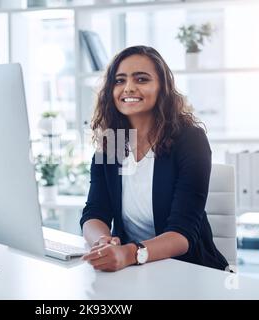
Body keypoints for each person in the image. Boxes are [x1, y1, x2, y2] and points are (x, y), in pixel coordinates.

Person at [80, 45, 229, 272]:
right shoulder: (113, 143)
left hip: (189, 270)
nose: (128, 88)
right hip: (133, 271)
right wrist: (102, 241)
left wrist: (129, 254)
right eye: (119, 81)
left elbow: (182, 234)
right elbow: (94, 212)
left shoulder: (189, 140)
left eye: (141, 79)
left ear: (162, 88)